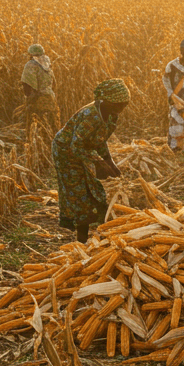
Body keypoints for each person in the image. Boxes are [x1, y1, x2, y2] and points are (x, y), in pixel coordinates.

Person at [53, 79, 129, 243]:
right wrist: (99, 161)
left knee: (94, 185)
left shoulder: (111, 114)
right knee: (79, 191)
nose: (121, 109)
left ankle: (99, 227)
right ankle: (81, 238)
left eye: (124, 104)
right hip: (66, 151)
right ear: (107, 101)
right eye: (119, 104)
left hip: (83, 148)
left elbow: (99, 140)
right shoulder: (91, 116)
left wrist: (109, 161)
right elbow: (76, 146)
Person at [20, 44, 58, 128]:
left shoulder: (30, 65)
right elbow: (54, 83)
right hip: (50, 98)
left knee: (35, 125)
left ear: (31, 54)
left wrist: (29, 100)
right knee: (50, 125)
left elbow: (27, 85)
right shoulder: (47, 64)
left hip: (38, 100)